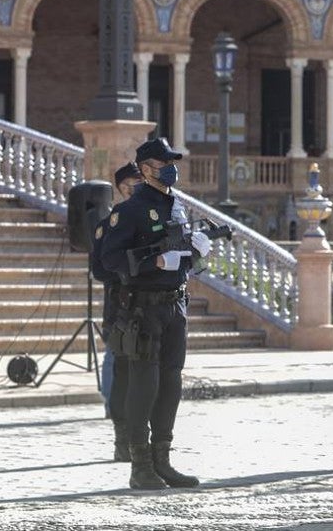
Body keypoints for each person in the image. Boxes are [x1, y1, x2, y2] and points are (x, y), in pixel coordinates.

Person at [99, 138, 211, 490]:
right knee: (144, 384)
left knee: (171, 382)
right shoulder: (130, 210)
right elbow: (111, 260)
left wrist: (194, 253)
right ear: (146, 169)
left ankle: (163, 459)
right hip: (143, 307)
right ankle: (140, 464)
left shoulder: (176, 205)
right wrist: (154, 261)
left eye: (171, 162)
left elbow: (182, 255)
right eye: (163, 163)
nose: (170, 168)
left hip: (174, 304)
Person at [91, 162, 143, 462]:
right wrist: (128, 270)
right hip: (120, 304)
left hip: (149, 304)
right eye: (133, 182)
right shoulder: (108, 224)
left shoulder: (147, 218)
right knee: (116, 359)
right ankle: (117, 420)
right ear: (122, 186)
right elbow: (99, 269)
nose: (137, 187)